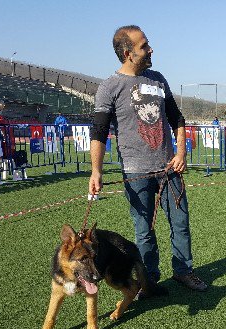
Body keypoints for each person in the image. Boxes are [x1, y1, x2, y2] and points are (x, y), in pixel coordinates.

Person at [89, 25, 207, 295]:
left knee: (180, 224)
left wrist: (180, 153)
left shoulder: (158, 79)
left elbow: (176, 118)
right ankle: (148, 279)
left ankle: (184, 271)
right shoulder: (110, 87)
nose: (151, 49)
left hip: (169, 169)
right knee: (144, 232)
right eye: (144, 46)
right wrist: (96, 171)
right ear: (129, 53)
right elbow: (99, 131)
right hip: (135, 173)